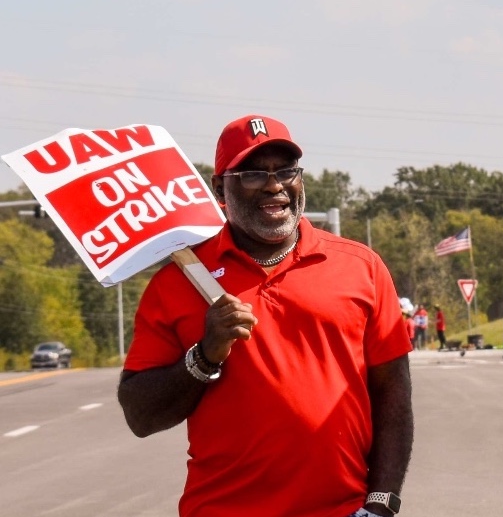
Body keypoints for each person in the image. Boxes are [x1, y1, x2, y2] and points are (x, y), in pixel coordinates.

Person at [117, 114, 414, 517]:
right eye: (254, 173)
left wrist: (381, 501)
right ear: (220, 186)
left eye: (286, 170)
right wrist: (204, 356)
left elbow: (393, 394)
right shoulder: (177, 283)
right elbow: (140, 415)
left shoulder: (361, 266)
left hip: (342, 510)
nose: (275, 185)